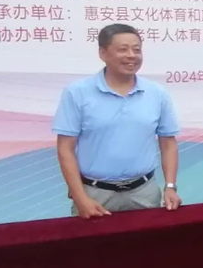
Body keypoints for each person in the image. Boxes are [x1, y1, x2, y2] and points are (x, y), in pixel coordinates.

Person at [53, 23, 181, 218]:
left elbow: (168, 143)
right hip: (94, 194)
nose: (131, 55)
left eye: (136, 50)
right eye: (123, 49)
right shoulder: (77, 92)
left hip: (144, 192)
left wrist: (170, 186)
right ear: (103, 53)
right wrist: (80, 197)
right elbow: (65, 148)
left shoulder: (156, 93)